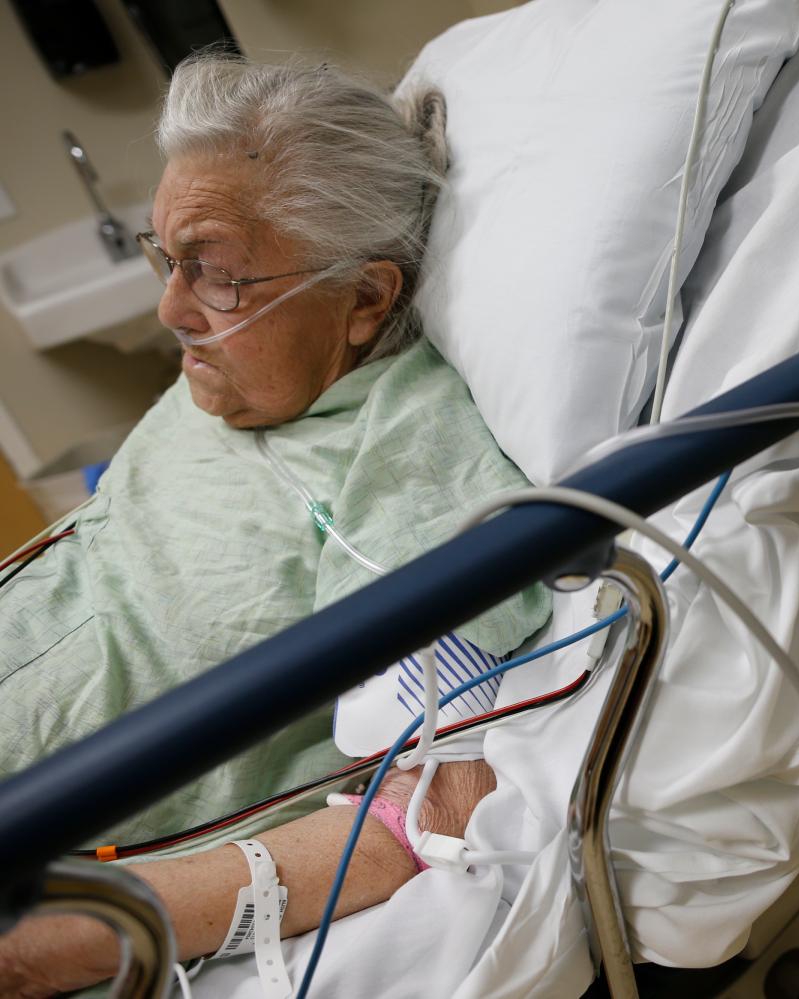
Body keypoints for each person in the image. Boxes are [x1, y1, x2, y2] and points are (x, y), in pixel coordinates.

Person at [0, 54, 550, 995]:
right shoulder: (238, 377)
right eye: (166, 257)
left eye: (215, 275)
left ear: (365, 298)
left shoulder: (404, 468)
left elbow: (426, 813)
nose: (170, 309)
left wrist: (90, 930)